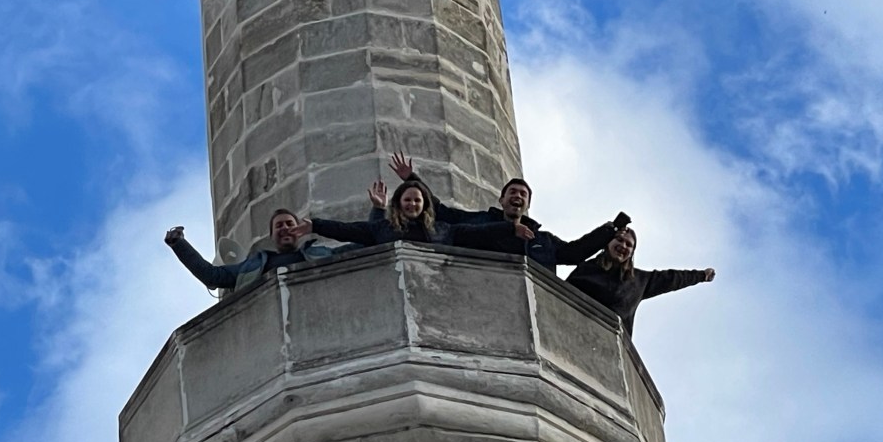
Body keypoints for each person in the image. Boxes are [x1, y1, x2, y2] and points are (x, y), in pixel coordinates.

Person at [384, 152, 630, 273]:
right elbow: (441, 212)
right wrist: (413, 180)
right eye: (512, 192)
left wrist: (610, 230)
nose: (517, 196)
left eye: (523, 194)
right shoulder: (479, 221)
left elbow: (574, 253)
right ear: (502, 200)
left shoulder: (542, 240)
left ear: (527, 204)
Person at [165, 209, 359, 294]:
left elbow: (366, 245)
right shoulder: (253, 265)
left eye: (289, 224)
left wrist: (375, 210)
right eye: (279, 225)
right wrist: (179, 243)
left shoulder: (322, 254)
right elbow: (211, 276)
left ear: (299, 231)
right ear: (272, 235)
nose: (285, 228)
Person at [295, 179, 534, 247]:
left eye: (417, 200)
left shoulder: (442, 230)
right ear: (399, 204)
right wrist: (315, 225)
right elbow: (347, 230)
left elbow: (477, 233)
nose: (412, 204)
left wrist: (510, 228)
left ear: (424, 204)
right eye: (407, 200)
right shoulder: (383, 228)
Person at [565, 228, 715, 334]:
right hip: (569, 325)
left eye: (628, 244)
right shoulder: (586, 268)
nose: (623, 245)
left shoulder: (640, 281)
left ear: (632, 253)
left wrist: (701, 275)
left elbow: (672, 279)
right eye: (619, 240)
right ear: (608, 243)